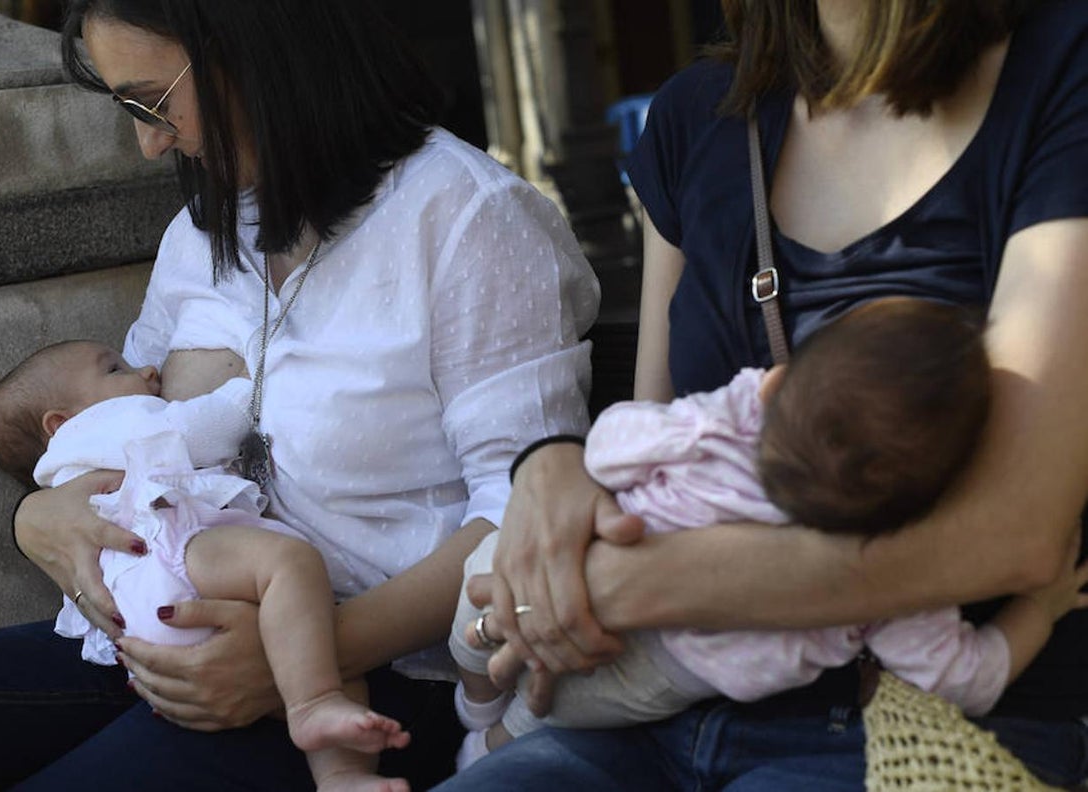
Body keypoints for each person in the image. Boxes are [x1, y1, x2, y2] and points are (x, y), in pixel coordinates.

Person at [0, 1, 598, 790]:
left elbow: (522, 512)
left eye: (150, 102)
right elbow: (126, 423)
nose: (147, 143)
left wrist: (310, 655)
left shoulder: (467, 220)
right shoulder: (205, 228)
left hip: (382, 687)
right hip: (174, 635)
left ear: (255, 56)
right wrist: (35, 518)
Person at [437, 0, 1088, 789]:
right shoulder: (695, 115)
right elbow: (649, 433)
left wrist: (612, 587)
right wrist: (550, 466)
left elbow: (1015, 534)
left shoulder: (1058, 67)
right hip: (663, 708)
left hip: (913, 725)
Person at [449, 296, 1088, 769]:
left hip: (570, 566)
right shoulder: (896, 575)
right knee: (548, 707)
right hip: (662, 674)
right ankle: (491, 741)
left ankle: (474, 701)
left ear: (780, 382)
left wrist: (571, 469)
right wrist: (1041, 608)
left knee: (478, 623)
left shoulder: (724, 426)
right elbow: (960, 678)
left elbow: (613, 444)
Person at [0, 339, 413, 792]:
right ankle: (321, 723)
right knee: (292, 567)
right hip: (172, 555)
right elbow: (204, 428)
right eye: (115, 369)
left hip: (137, 629)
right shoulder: (99, 429)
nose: (149, 371)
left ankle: (341, 777)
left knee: (317, 642)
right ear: (60, 423)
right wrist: (260, 386)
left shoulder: (63, 471)